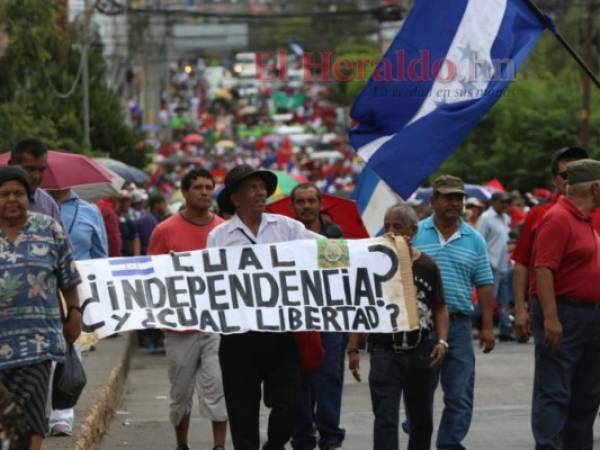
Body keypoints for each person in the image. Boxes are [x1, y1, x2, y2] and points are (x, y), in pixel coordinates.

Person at [207, 164, 319, 450]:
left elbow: (330, 251)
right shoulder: (219, 237)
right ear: (235, 198)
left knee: (290, 404)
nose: (261, 193)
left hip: (280, 334)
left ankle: (274, 445)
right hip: (238, 339)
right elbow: (207, 279)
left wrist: (378, 247)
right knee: (242, 412)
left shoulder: (288, 228)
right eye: (253, 188)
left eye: (262, 187)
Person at [348, 204, 449, 450]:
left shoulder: (427, 265)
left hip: (420, 351)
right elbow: (361, 306)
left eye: (398, 226)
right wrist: (353, 348)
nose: (391, 232)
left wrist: (442, 341)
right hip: (384, 352)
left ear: (412, 231)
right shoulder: (372, 264)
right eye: (387, 226)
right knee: (385, 418)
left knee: (422, 419)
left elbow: (439, 306)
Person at [0, 167, 82, 450]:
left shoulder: (49, 229)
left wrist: (74, 313)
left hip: (37, 343)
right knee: (6, 424)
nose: (12, 199)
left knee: (32, 418)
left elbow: (69, 279)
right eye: (5, 194)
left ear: (29, 197)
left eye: (19, 193)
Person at [412, 175, 495, 450]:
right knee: (419, 392)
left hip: (459, 325)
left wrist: (486, 326)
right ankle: (417, 431)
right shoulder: (415, 233)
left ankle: (449, 443)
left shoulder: (475, 239)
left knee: (459, 393)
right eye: (447, 197)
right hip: (421, 325)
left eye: (458, 198)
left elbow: (484, 283)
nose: (454, 203)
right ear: (433, 200)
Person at [148, 169, 228, 450]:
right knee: (180, 392)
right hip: (179, 325)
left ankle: (219, 446)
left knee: (217, 387)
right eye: (198, 187)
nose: (205, 192)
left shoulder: (223, 229)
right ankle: (182, 444)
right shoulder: (164, 230)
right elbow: (152, 276)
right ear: (185, 192)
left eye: (209, 187)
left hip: (215, 324)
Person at [530, 159, 600, 449]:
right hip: (566, 313)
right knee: (555, 390)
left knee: (586, 393)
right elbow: (543, 268)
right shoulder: (558, 217)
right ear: (595, 188)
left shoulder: (583, 220)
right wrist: (551, 318)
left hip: (590, 317)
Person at [47, 188, 109, 436]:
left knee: (71, 352)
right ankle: (37, 413)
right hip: (40, 291)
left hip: (77, 294)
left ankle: (62, 415)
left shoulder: (90, 211)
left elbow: (100, 256)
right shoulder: (30, 205)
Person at [512, 146, 589, 342]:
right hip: (555, 308)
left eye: (581, 173)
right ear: (555, 180)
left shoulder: (596, 212)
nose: (575, 180)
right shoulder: (540, 214)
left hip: (591, 311)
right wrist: (521, 310)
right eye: (567, 175)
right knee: (556, 369)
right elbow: (522, 263)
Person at [289, 183, 345, 450]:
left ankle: (330, 437)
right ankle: (302, 437)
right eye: (301, 202)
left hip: (329, 319)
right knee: (299, 383)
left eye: (311, 201)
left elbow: (342, 279)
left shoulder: (334, 235)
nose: (307, 206)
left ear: (320, 204)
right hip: (297, 320)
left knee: (329, 380)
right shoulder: (285, 235)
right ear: (293, 206)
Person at [477, 192, 514, 341]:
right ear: (493, 202)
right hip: (490, 263)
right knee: (488, 299)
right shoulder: (486, 218)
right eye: (502, 201)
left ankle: (505, 330)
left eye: (507, 202)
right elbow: (479, 240)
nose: (505, 205)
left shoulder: (506, 218)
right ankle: (482, 326)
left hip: (503, 263)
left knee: (505, 299)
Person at [8, 139, 62, 224]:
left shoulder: (48, 204)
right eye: (30, 169)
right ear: (11, 165)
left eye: (41, 170)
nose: (36, 176)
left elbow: (61, 236)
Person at [115, 190, 141, 257]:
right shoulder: (112, 216)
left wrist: (136, 256)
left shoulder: (129, 218)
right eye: (122, 200)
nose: (125, 203)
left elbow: (135, 238)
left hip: (127, 256)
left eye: (127, 200)